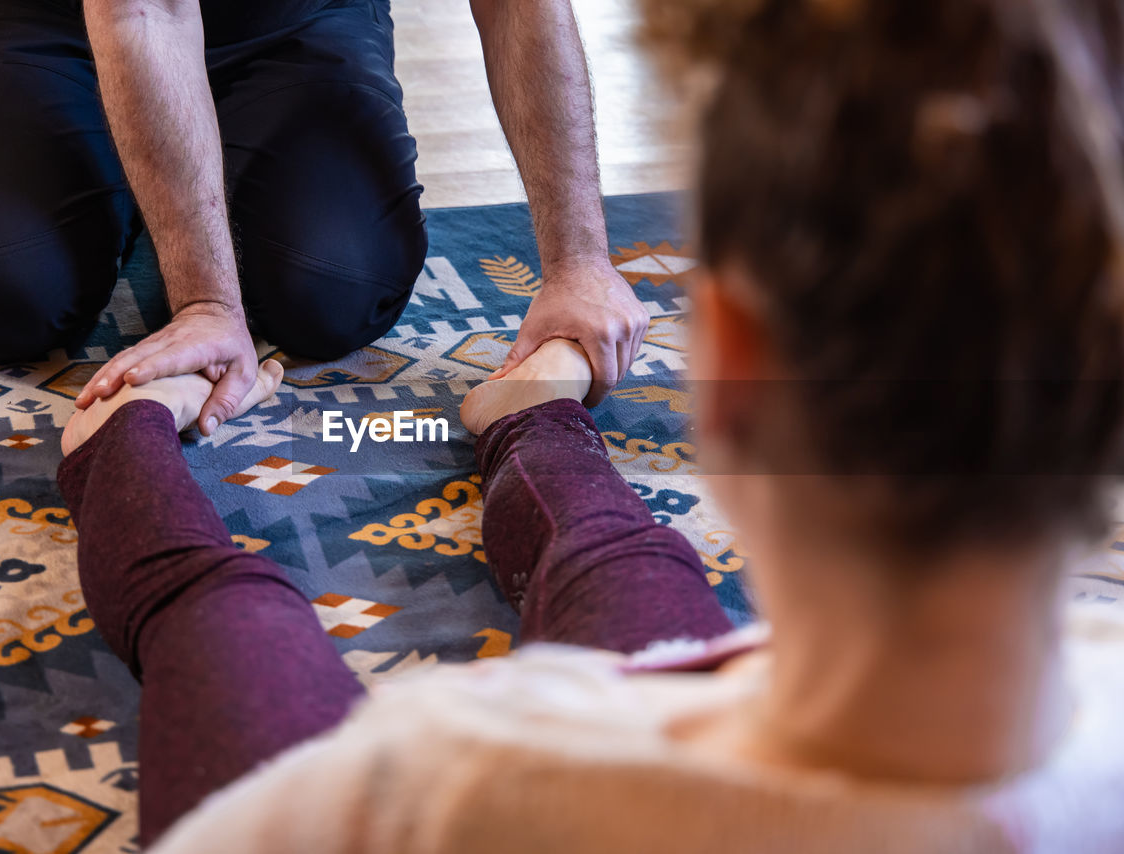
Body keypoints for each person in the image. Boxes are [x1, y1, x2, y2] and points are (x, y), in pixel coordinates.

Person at [57, 0, 1124, 849]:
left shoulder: (419, 783)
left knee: (210, 602)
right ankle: (533, 419)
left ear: (728, 368)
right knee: (633, 589)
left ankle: (125, 447)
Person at [0, 0, 650, 436]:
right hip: (60, 22)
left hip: (300, 17)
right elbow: (143, 9)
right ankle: (147, 172)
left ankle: (176, 165)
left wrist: (579, 263)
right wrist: (206, 303)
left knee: (331, 293)